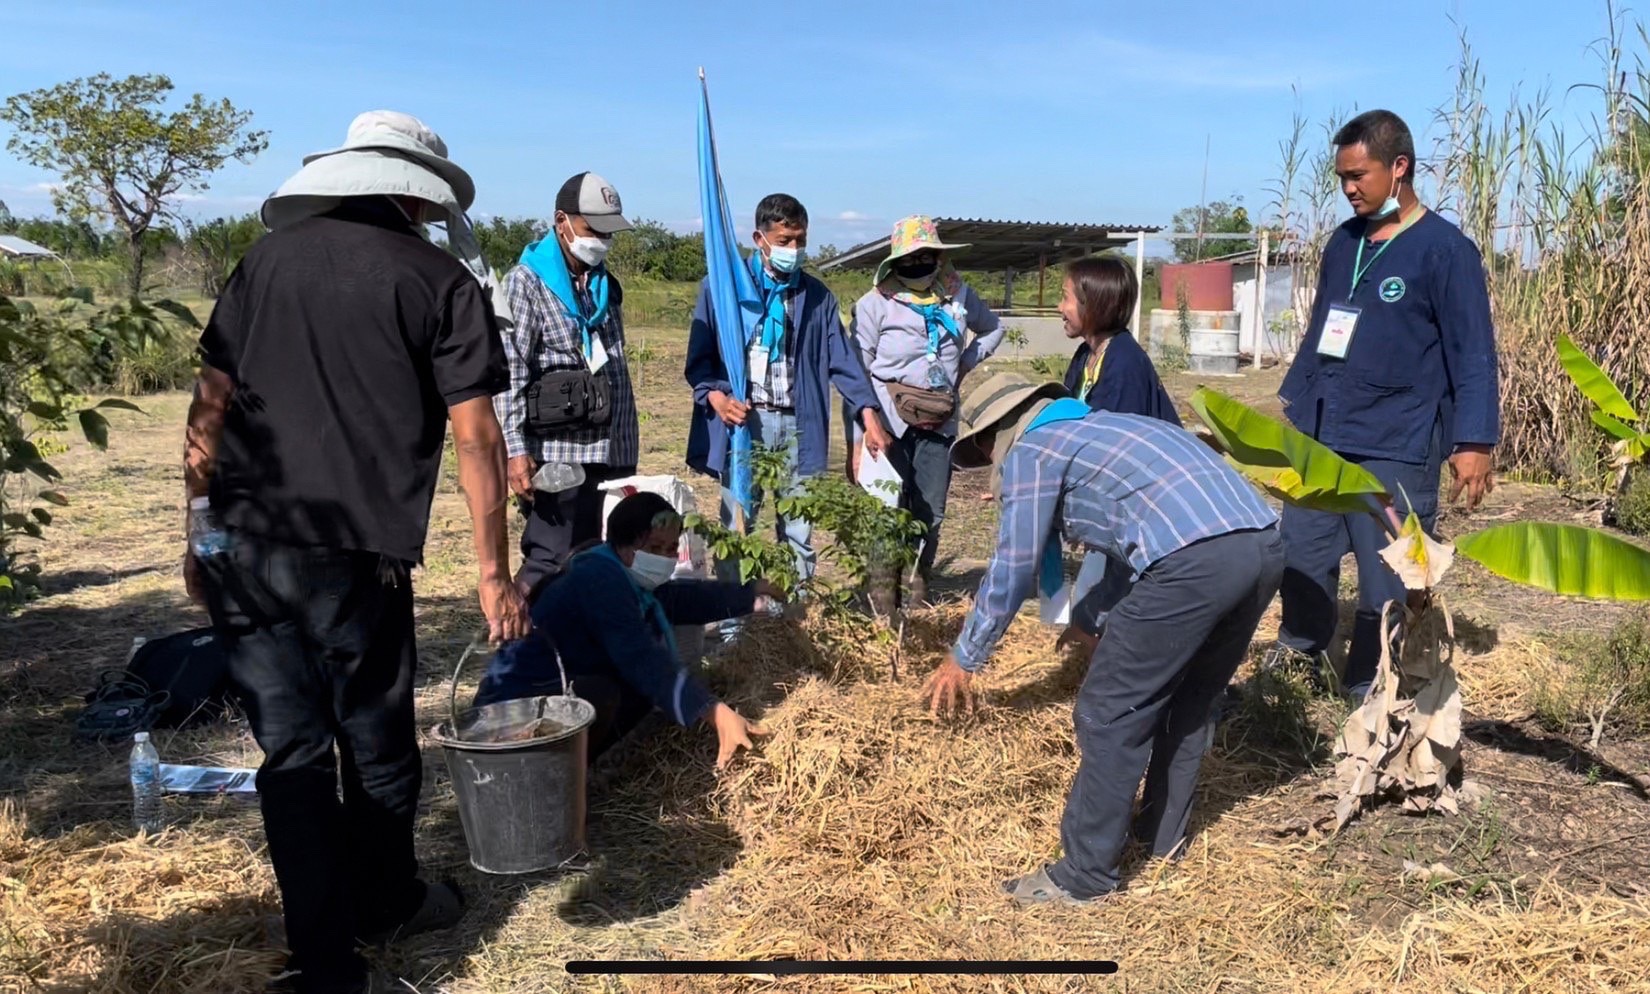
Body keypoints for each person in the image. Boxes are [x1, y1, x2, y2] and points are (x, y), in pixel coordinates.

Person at [183, 111, 531, 994]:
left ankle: (325, 962)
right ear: (418, 196)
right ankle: (386, 902)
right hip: (352, 551)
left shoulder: (264, 262)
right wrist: (494, 573)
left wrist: (198, 531)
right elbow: (478, 436)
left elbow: (207, 408)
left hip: (244, 544)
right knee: (375, 742)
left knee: (291, 753)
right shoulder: (440, 280)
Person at [921, 372, 1283, 905]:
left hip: (1194, 565)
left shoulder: (1034, 449)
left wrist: (965, 656)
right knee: (1189, 702)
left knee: (1108, 710)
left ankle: (1085, 875)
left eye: (983, 450)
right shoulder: (1109, 430)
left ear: (995, 434)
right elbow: (1126, 537)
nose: (989, 465)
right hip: (1264, 546)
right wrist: (1090, 617)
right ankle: (1162, 841)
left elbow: (1015, 564)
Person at [1266, 109, 1499, 702]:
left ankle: (1373, 686)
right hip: (1324, 430)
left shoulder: (1445, 250)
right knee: (1302, 552)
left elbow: (1473, 350)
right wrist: (1297, 403)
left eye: (1358, 175)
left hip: (1398, 437)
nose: (1348, 188)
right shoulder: (1344, 243)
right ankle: (1299, 655)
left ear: (1399, 167)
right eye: (1341, 177)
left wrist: (1474, 440)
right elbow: (1322, 328)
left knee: (1387, 573)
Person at [685, 193, 891, 596]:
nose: (793, 249)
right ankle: (733, 617)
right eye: (784, 241)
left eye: (800, 240)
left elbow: (843, 362)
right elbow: (700, 361)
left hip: (799, 425)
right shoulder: (723, 290)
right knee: (737, 525)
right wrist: (716, 398)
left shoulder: (817, 297)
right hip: (746, 425)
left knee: (799, 528)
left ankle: (793, 614)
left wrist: (869, 415)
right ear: (759, 239)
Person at [474, 493, 773, 768]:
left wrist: (754, 591)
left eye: (671, 549)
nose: (665, 558)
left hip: (547, 694)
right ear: (625, 546)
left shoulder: (621, 573)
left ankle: (580, 770)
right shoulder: (600, 579)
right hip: (513, 710)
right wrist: (713, 711)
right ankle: (554, 776)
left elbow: (683, 599)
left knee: (632, 690)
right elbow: (641, 657)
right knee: (606, 692)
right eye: (654, 548)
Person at [494, 171, 639, 600]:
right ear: (562, 222)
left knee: (595, 557)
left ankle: (575, 638)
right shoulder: (526, 283)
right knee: (549, 559)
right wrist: (515, 451)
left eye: (608, 233)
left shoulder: (603, 285)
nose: (602, 241)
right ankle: (516, 629)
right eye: (593, 230)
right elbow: (509, 371)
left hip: (608, 449)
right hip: (557, 455)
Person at [847, 215, 1006, 605]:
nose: (918, 265)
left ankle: (915, 591)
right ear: (895, 262)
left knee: (929, 511)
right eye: (909, 259)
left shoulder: (958, 295)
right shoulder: (875, 304)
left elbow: (994, 328)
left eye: (926, 257)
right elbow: (857, 370)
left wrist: (966, 362)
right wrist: (859, 437)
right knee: (886, 508)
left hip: (939, 421)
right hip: (887, 422)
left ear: (938, 258)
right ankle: (882, 599)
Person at [1059, 257, 1180, 424]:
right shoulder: (1084, 354)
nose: (1060, 307)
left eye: (1065, 298)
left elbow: (1119, 434)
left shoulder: (1125, 363)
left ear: (1093, 304)